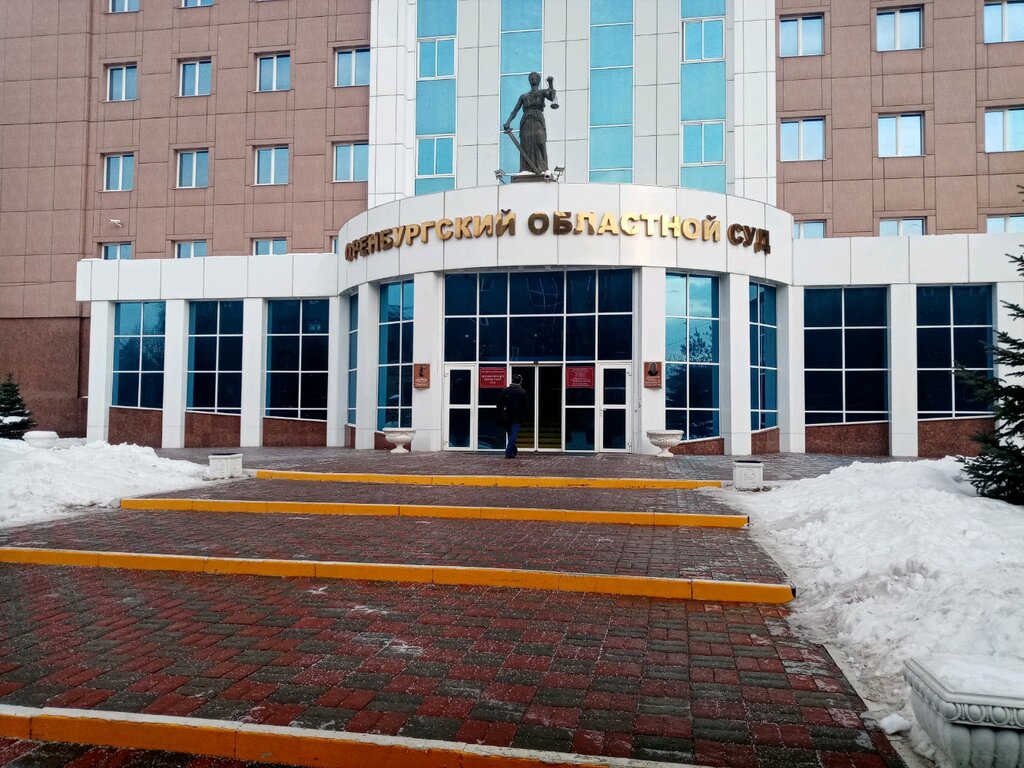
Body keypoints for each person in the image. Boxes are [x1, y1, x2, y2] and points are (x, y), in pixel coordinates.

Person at [502, 72, 557, 174]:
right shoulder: (524, 96)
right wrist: (508, 122)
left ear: (538, 80)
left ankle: (543, 168)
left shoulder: (542, 92)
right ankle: (526, 169)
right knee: (526, 143)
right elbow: (515, 110)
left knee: (540, 141)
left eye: (535, 78)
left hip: (538, 118)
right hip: (526, 120)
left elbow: (552, 97)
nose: (533, 79)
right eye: (531, 78)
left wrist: (550, 84)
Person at [498, 374, 529, 459]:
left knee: (510, 434)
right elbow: (526, 406)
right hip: (517, 418)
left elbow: (499, 404)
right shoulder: (522, 392)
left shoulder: (505, 391)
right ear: (520, 381)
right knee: (513, 435)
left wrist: (501, 413)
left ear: (512, 380)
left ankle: (514, 451)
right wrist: (524, 416)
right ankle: (508, 452)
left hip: (506, 417)